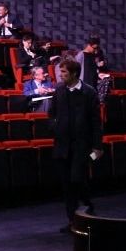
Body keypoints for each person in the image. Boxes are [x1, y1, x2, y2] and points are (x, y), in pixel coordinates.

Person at [49, 58, 103, 232]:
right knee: (67, 184)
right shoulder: (59, 91)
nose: (61, 75)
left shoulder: (89, 92)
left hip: (82, 146)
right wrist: (55, 127)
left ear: (74, 73)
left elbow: (96, 121)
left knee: (78, 180)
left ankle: (88, 210)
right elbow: (51, 114)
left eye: (64, 72)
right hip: (63, 146)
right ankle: (73, 221)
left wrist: (97, 146)